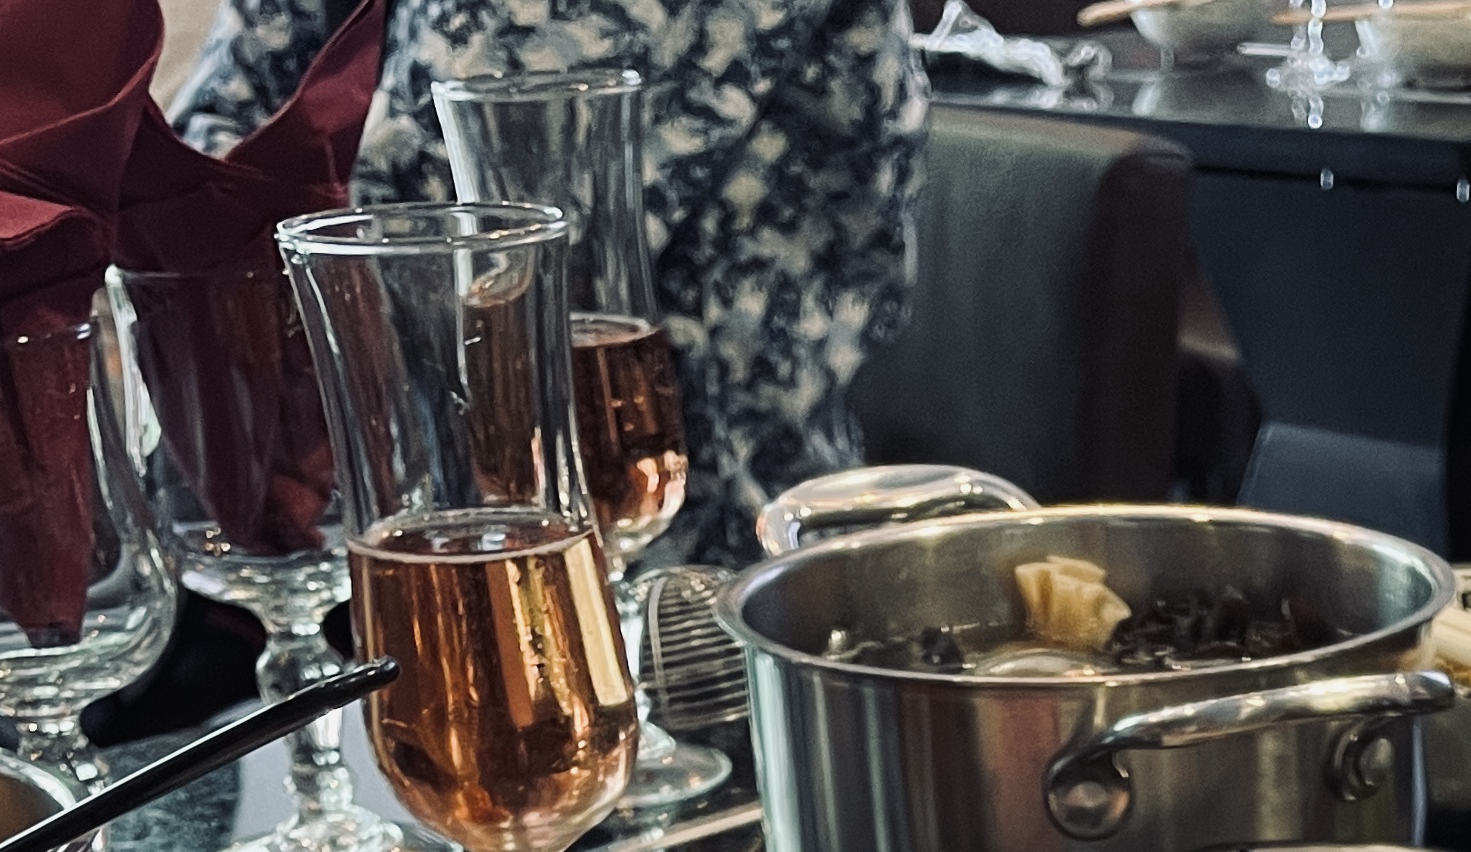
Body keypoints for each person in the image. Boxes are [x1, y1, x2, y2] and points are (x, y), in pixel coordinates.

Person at [173, 0, 923, 560]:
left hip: (693, 587)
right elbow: (195, 168)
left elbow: (444, 227)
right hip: (408, 534)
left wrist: (243, 256)